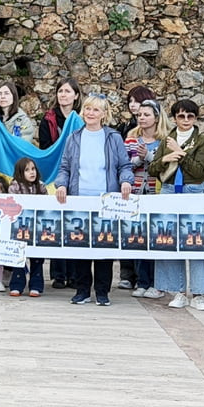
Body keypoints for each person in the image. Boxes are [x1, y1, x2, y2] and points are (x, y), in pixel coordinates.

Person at [54, 93, 134, 306]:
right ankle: (82, 290)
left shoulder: (113, 137)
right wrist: (61, 184)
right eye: (88, 108)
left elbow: (124, 166)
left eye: (96, 110)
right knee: (81, 247)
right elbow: (65, 167)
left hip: (105, 200)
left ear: (104, 114)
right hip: (80, 199)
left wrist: (126, 181)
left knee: (103, 248)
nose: (90, 113)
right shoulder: (74, 137)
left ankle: (102, 291)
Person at [151, 99, 204, 310]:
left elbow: (198, 171)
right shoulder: (167, 139)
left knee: (196, 241)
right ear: (174, 118)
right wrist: (167, 157)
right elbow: (153, 169)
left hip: (194, 191)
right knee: (170, 241)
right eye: (181, 116)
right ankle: (177, 291)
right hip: (169, 190)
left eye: (190, 116)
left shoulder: (203, 141)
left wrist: (181, 153)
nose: (186, 120)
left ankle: (198, 293)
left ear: (196, 118)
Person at [38, 77, 82, 291]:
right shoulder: (48, 119)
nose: (63, 95)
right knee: (56, 224)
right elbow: (46, 147)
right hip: (55, 175)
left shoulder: (82, 118)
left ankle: (75, 274)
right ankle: (58, 274)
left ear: (76, 95)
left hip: (78, 177)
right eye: (60, 91)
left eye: (67, 91)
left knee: (74, 224)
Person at [124, 98, 170, 299]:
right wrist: (139, 159)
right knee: (138, 239)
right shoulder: (131, 139)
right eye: (139, 115)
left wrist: (150, 157)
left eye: (146, 115)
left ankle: (157, 283)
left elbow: (166, 167)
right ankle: (142, 281)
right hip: (136, 193)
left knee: (157, 239)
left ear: (156, 118)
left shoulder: (165, 140)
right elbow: (124, 165)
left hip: (156, 193)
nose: (142, 118)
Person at [7, 156, 46, 297]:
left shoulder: (40, 186)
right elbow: (12, 204)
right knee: (19, 256)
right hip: (19, 228)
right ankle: (17, 284)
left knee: (37, 258)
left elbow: (46, 206)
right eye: (27, 170)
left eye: (33, 169)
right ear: (19, 173)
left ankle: (36, 285)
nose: (31, 172)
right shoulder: (15, 186)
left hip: (36, 228)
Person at [0, 80, 36, 145]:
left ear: (14, 96)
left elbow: (24, 145)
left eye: (6, 93)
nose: (3, 96)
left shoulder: (24, 121)